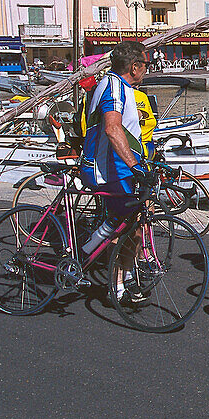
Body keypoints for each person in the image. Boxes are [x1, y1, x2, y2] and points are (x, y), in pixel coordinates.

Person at [79, 40, 151, 305]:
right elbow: (112, 128)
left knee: (133, 224)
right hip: (109, 170)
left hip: (118, 168)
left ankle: (127, 278)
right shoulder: (114, 89)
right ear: (134, 66)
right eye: (146, 65)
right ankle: (107, 279)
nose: (147, 70)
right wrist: (134, 166)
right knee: (122, 223)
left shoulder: (119, 87)